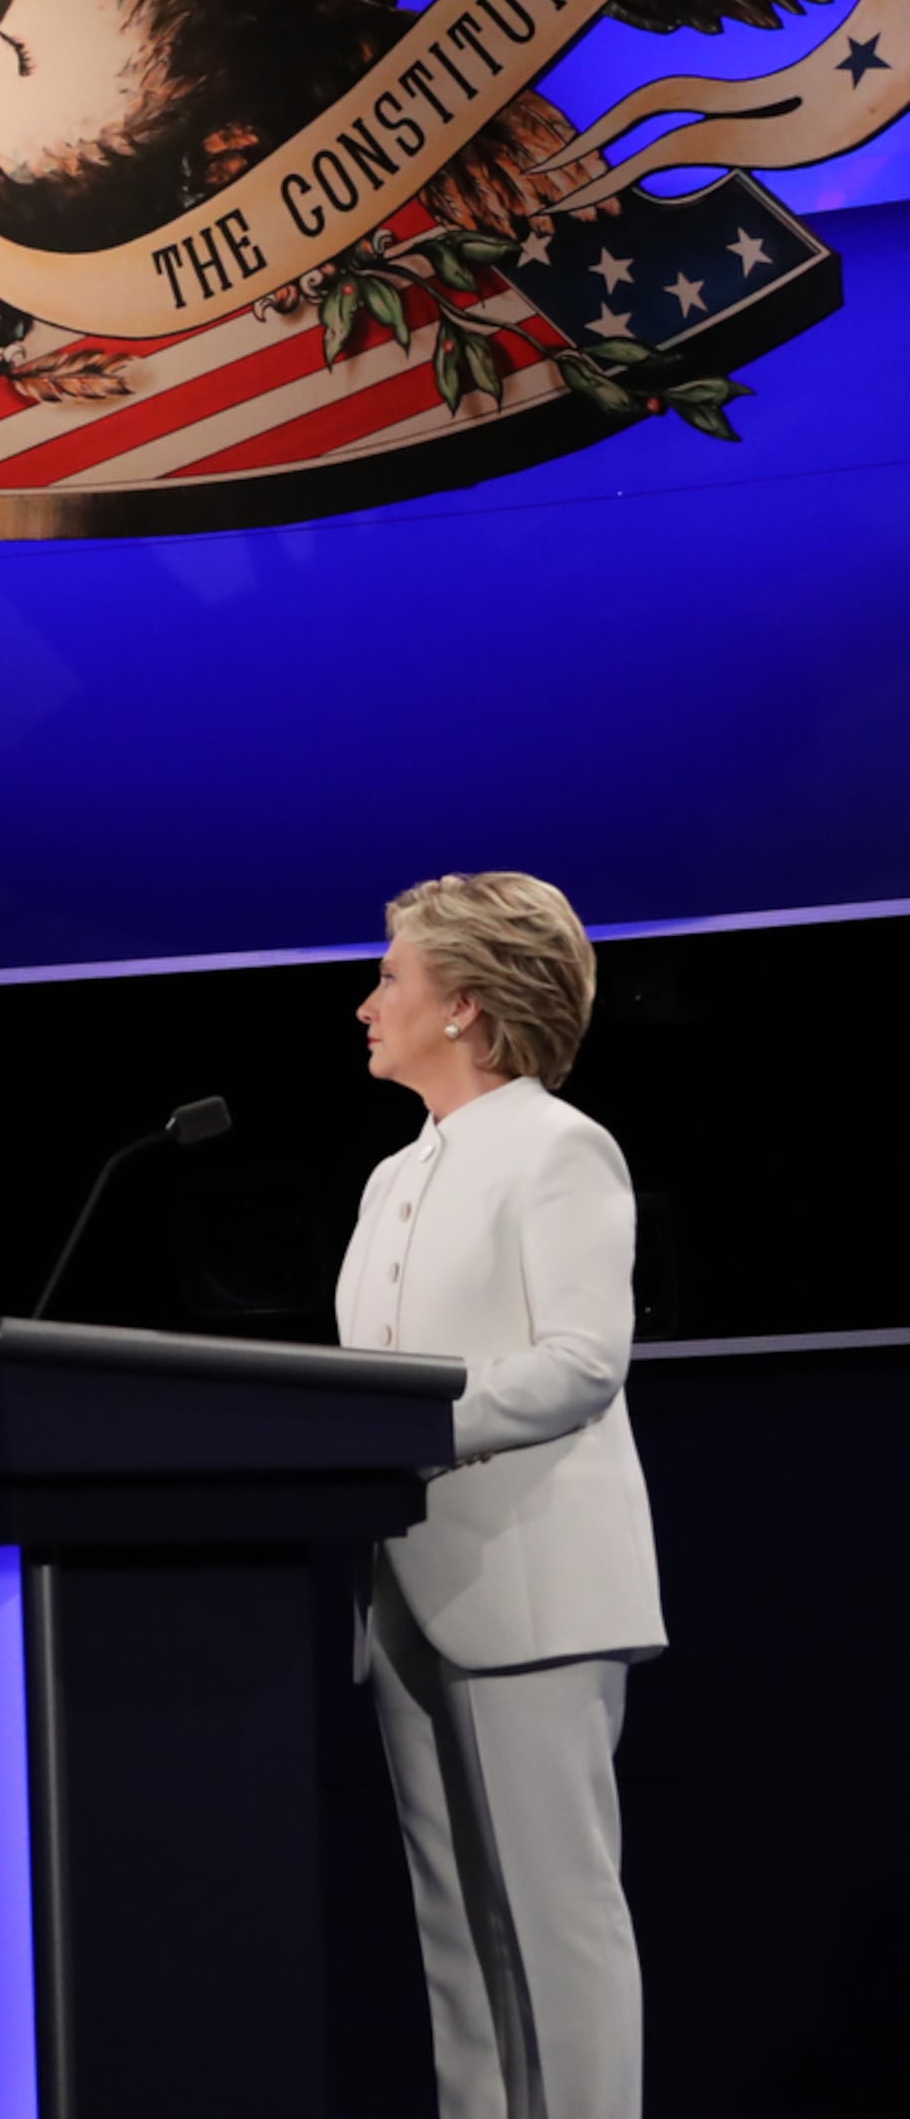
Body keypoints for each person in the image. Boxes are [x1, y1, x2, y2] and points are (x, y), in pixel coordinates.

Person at [342, 872, 661, 2119]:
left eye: (391, 979)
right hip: (410, 1585)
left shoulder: (558, 1147)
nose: (368, 1004)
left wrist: (403, 1432)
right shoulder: (390, 1179)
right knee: (460, 1936)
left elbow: (583, 1364)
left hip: (532, 1589)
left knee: (555, 1921)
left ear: (465, 1007)